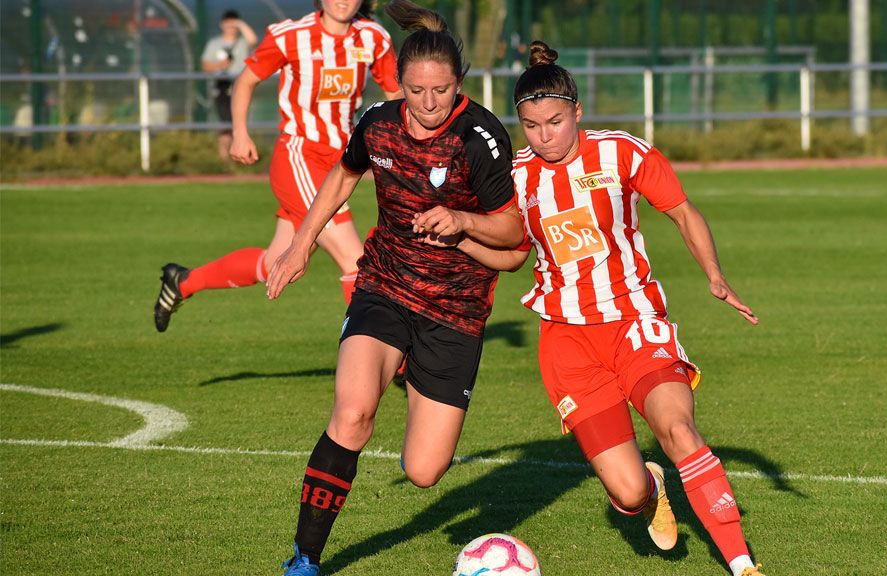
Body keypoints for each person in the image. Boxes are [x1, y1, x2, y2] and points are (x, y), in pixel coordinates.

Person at [448, 41, 766, 576]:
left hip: (635, 321)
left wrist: (715, 277)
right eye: (530, 125)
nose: (544, 135)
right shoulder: (516, 178)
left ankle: (742, 565)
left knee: (679, 432)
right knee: (628, 491)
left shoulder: (622, 152)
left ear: (577, 111)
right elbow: (514, 257)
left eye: (554, 121)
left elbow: (683, 213)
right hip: (567, 343)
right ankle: (650, 491)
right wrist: (458, 235)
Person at [264, 1, 522, 574]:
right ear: (399, 81)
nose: (429, 104)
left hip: (455, 310)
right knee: (353, 413)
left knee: (424, 472)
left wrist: (461, 221)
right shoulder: (378, 121)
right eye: (416, 90)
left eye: (442, 91)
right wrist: (302, 242)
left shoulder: (480, 137)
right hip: (384, 285)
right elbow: (343, 172)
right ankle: (305, 558)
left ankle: (408, 366)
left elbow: (513, 230)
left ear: (460, 84)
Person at [154, 0, 402, 333]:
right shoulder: (291, 35)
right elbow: (245, 81)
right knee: (355, 261)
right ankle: (395, 360)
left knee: (276, 263)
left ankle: (182, 282)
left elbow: (395, 93)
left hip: (338, 163)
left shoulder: (372, 37)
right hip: (299, 155)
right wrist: (240, 134)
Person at [201, 9, 258, 161]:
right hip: (222, 85)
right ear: (222, 25)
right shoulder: (214, 43)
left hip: (240, 86)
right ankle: (225, 158)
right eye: (228, 23)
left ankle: (241, 156)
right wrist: (220, 65)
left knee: (240, 122)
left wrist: (240, 24)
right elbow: (206, 66)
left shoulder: (242, 42)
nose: (231, 27)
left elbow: (253, 40)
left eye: (234, 24)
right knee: (225, 122)